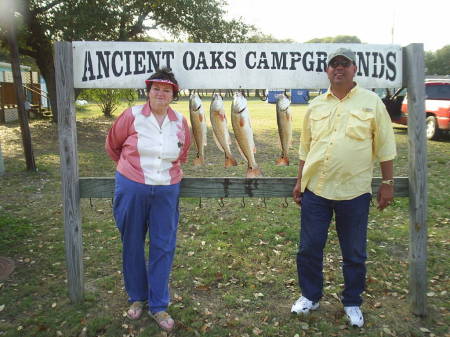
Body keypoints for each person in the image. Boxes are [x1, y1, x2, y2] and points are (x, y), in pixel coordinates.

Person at [291, 48, 397, 328]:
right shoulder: (315, 105)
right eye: (334, 64)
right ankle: (310, 296)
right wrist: (300, 179)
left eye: (344, 64)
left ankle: (352, 302)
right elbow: (305, 146)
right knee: (309, 248)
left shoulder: (371, 102)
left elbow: (386, 145)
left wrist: (387, 183)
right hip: (317, 190)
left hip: (354, 192)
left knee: (354, 253)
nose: (339, 68)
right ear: (327, 71)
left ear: (354, 69)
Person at [105, 68, 191, 332]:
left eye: (167, 90)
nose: (161, 94)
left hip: (166, 189)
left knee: (163, 246)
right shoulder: (131, 115)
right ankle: (137, 297)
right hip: (132, 187)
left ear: (173, 95)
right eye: (156, 89)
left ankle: (158, 304)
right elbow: (113, 145)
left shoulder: (180, 121)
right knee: (131, 242)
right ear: (148, 91)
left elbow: (183, 152)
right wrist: (132, 171)